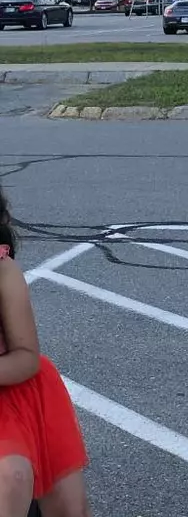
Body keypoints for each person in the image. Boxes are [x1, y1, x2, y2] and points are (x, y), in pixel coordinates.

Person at [0, 185, 92, 517]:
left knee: (65, 506)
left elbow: (26, 356)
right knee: (12, 476)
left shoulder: (3, 270)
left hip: (14, 394)